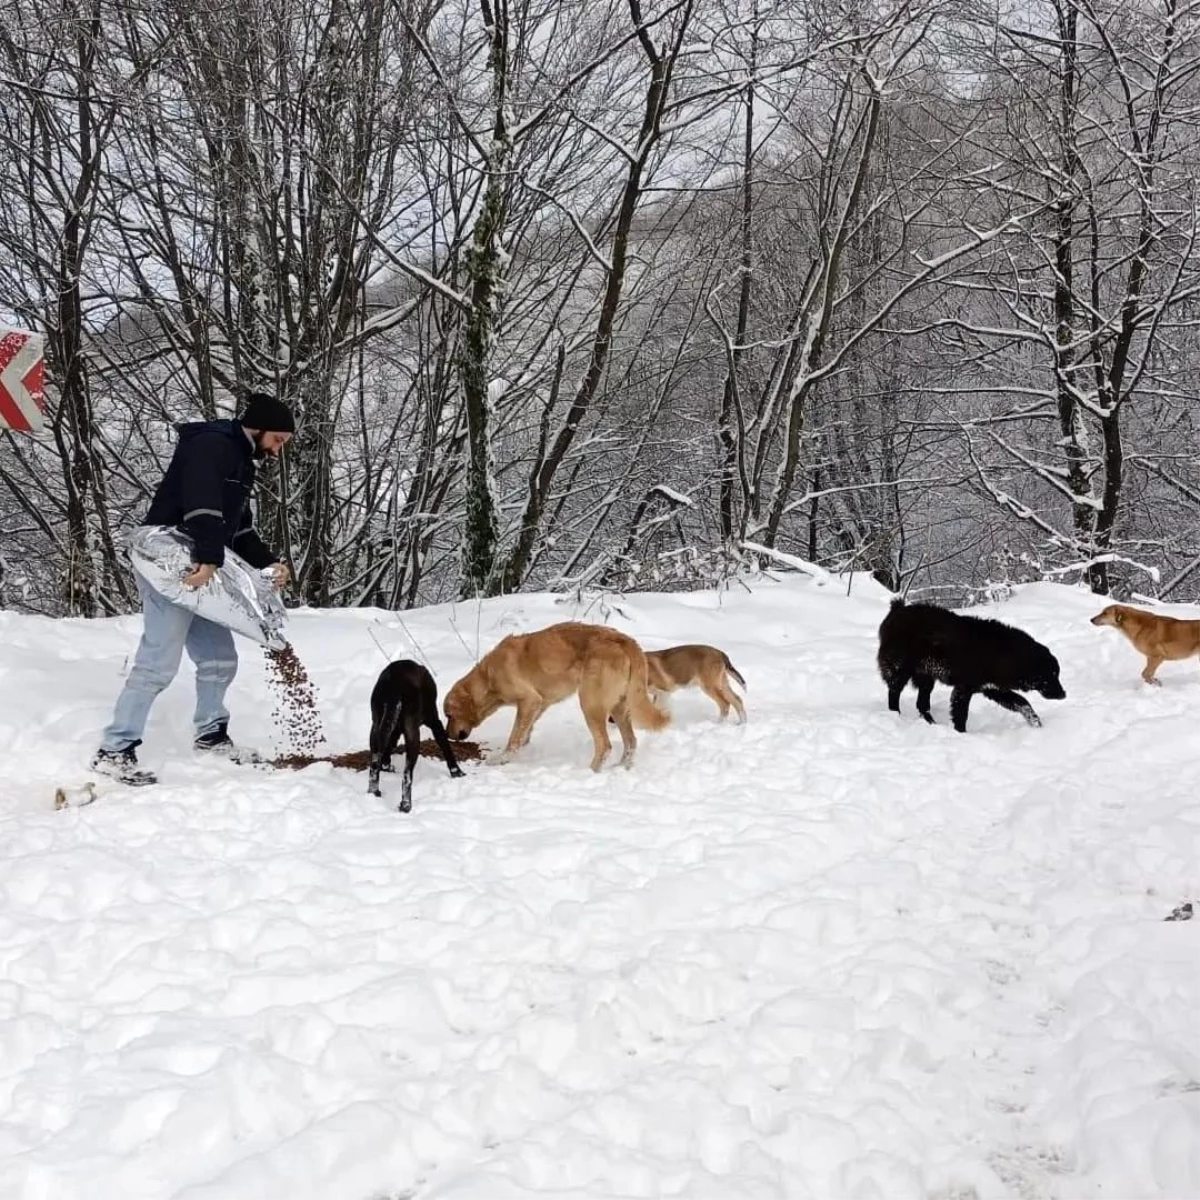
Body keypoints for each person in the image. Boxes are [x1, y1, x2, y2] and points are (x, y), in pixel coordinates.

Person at [91, 393, 295, 785]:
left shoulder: (240, 460)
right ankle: (114, 750)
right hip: (170, 563)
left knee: (219, 658)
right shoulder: (212, 444)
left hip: (201, 562)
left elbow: (237, 528)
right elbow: (202, 506)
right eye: (279, 440)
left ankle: (211, 734)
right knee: (158, 663)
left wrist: (267, 561)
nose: (278, 450)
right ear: (259, 428)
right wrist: (209, 559)